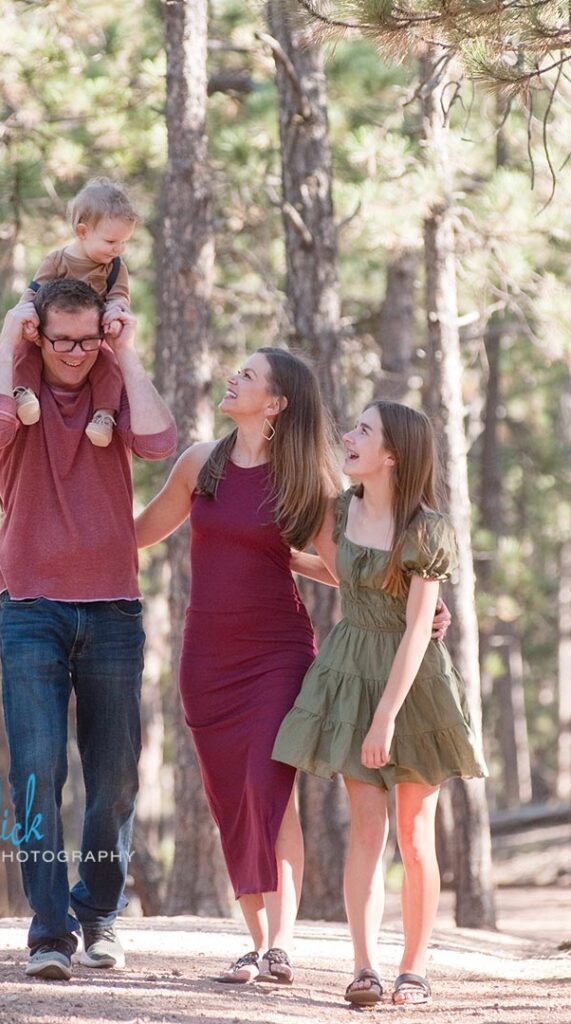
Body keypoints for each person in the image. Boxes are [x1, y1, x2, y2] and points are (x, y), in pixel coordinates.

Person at [135, 358, 450, 986]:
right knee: (229, 798)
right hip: (206, 654)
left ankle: (282, 944)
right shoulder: (200, 463)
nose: (231, 376)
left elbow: (346, 569)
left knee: (268, 787)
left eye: (247, 374)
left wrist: (419, 601)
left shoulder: (305, 481)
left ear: (276, 403)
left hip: (276, 651)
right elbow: (140, 530)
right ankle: (255, 944)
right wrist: (67, 531)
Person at [0, 279, 176, 981]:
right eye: (63, 339)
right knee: (38, 770)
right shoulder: (16, 377)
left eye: (89, 339)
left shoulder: (113, 375)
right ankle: (48, 931)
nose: (77, 353)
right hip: (30, 607)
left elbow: (157, 441)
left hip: (112, 606)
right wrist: (7, 340)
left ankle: (101, 915)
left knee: (114, 777)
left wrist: (130, 353)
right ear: (38, 333)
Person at [273, 400, 487, 1007]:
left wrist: (387, 717)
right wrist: (285, 560)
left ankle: (414, 968)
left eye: (363, 430)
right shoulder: (341, 511)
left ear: (391, 454)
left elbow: (420, 627)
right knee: (366, 826)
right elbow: (350, 575)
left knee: (416, 836)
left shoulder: (428, 528)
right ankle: (364, 967)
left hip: (411, 684)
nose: (350, 435)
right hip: (349, 669)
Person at [12, 177, 138, 447]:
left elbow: (119, 295)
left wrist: (116, 310)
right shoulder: (57, 260)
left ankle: (104, 415)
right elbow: (33, 293)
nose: (118, 249)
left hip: (91, 336)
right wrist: (27, 319)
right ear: (82, 232)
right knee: (25, 353)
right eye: (111, 241)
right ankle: (24, 392)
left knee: (109, 367)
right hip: (51, 332)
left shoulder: (115, 268)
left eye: (124, 243)